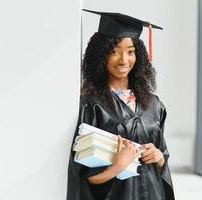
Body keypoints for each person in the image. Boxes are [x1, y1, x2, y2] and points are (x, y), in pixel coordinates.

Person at [67, 9, 175, 200]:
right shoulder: (90, 105)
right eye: (114, 51)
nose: (124, 60)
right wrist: (118, 166)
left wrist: (159, 158)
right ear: (101, 55)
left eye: (130, 52)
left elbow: (163, 157)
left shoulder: (153, 104)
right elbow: (81, 177)